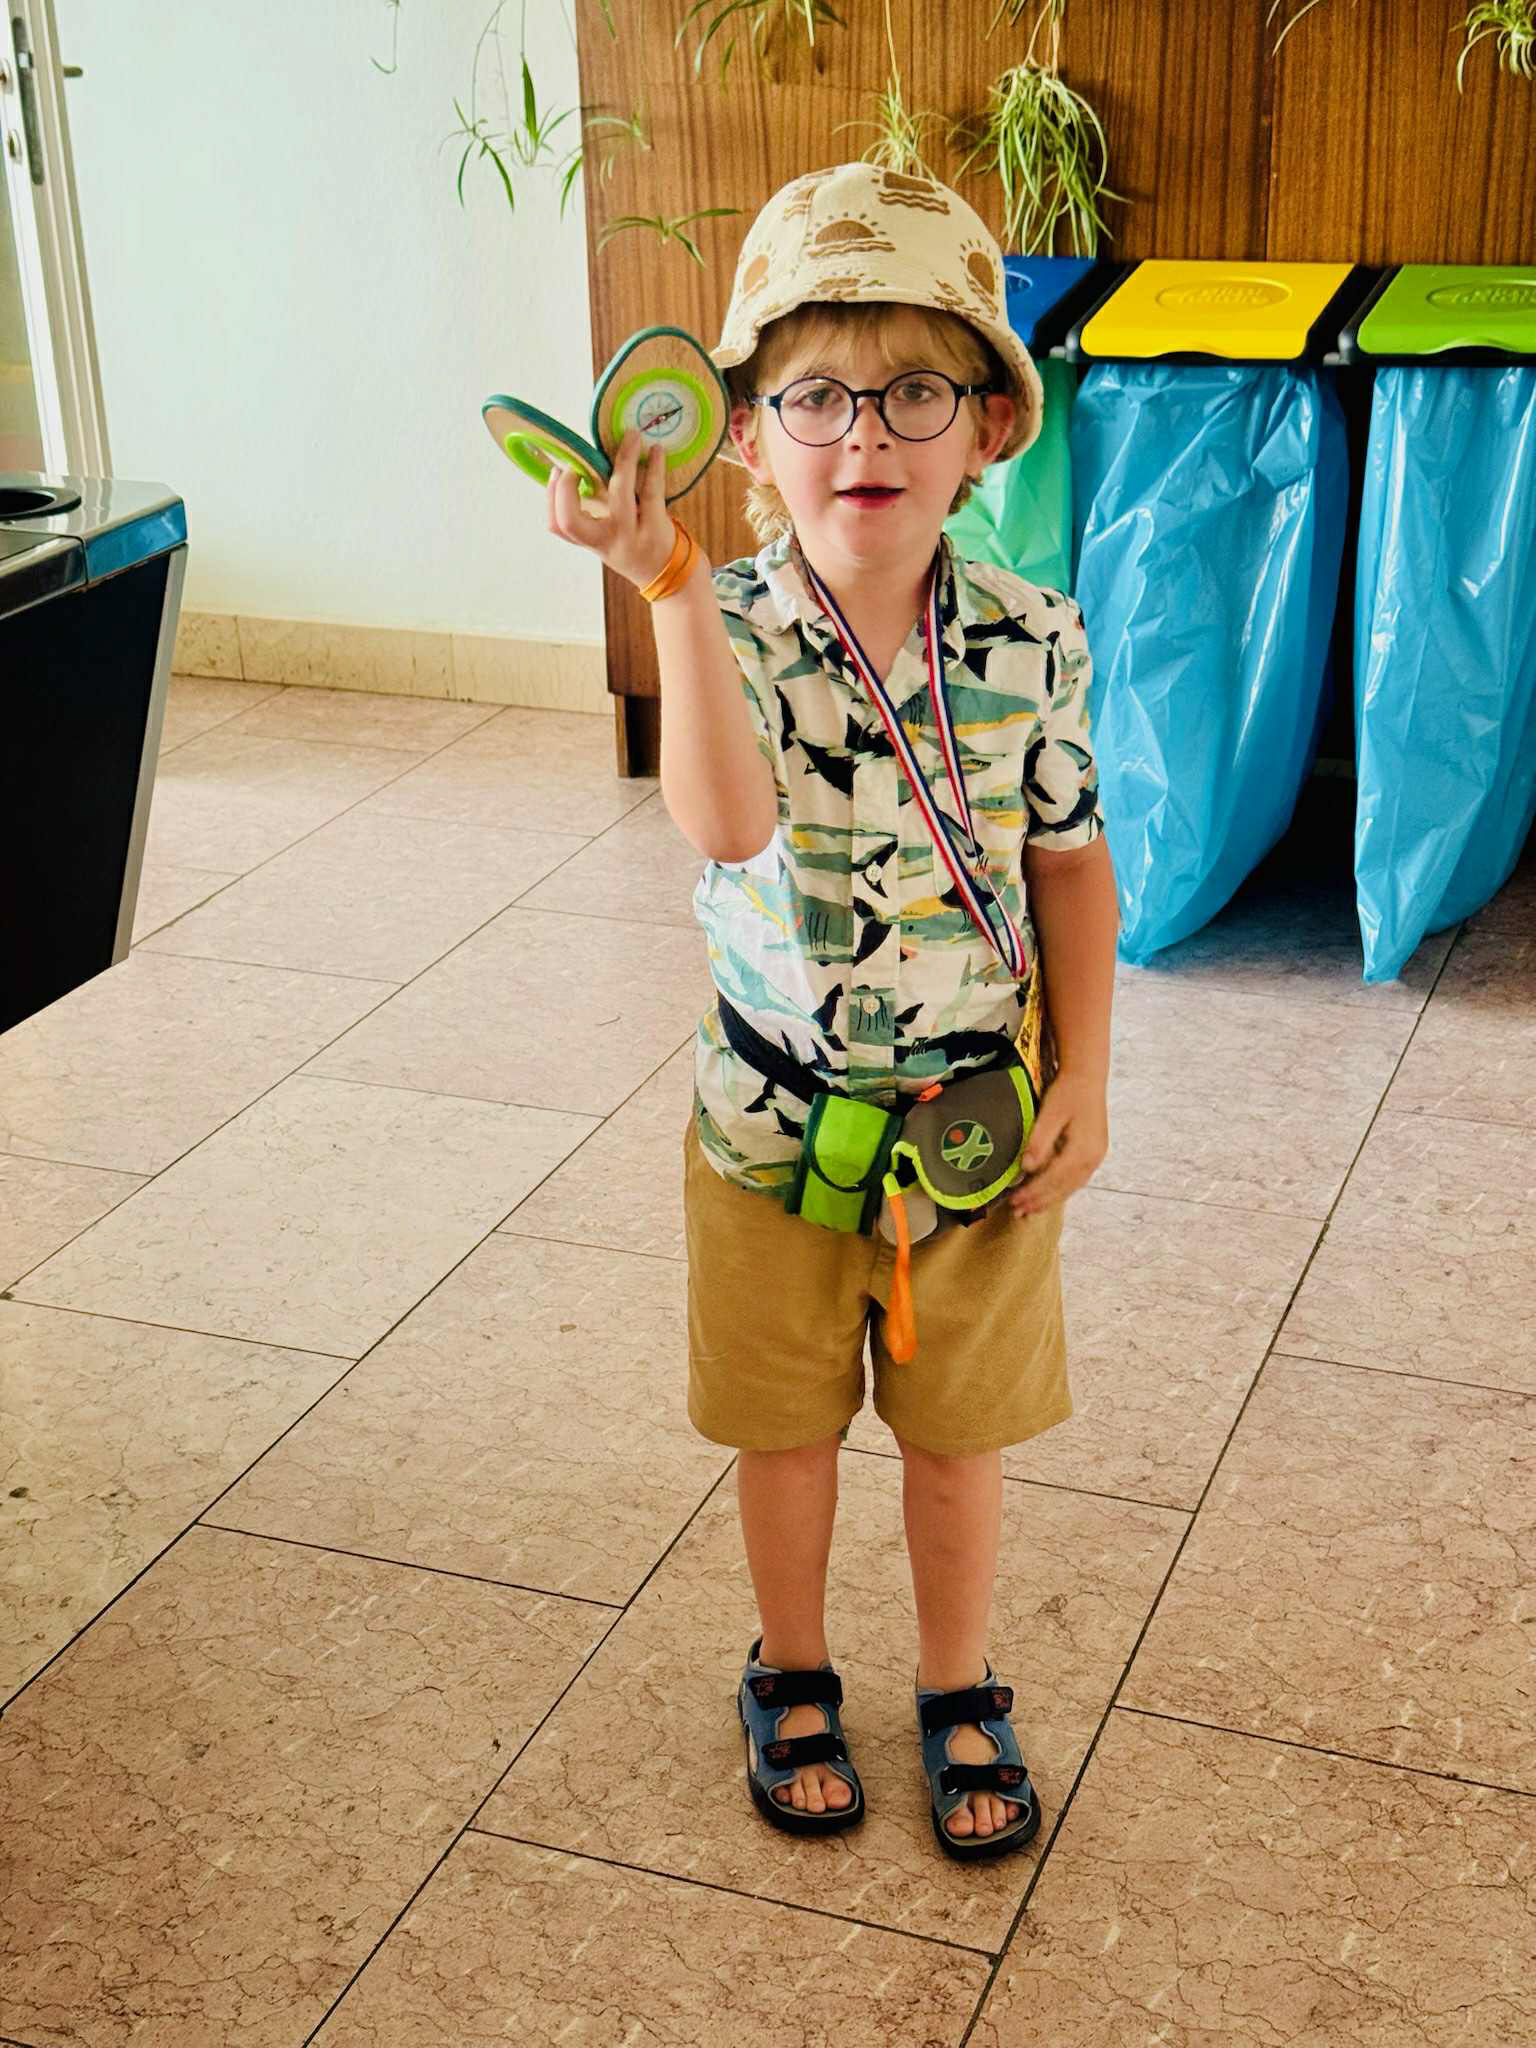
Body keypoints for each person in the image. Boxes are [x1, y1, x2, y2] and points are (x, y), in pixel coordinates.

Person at [545, 162, 1117, 1862]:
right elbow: (722, 828)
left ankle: (957, 1683)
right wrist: (660, 591)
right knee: (787, 1436)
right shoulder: (715, 622)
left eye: (916, 390)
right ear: (746, 436)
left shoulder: (1036, 636)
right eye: (813, 394)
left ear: (987, 429)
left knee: (961, 1443)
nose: (864, 434)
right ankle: (790, 1666)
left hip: (973, 1135)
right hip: (767, 1126)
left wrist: (1092, 1070)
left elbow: (1074, 867)